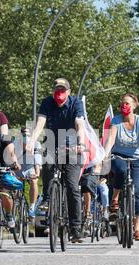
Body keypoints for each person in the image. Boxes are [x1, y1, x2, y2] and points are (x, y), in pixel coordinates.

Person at [26, 78, 87, 243]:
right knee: (48, 165)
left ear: (68, 91)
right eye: (57, 90)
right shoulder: (47, 102)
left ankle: (75, 228)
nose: (59, 94)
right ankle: (47, 197)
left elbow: (80, 125)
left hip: (73, 147)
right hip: (53, 144)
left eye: (63, 90)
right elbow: (40, 124)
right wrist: (32, 141)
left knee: (73, 187)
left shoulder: (75, 103)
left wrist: (80, 144)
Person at [103, 93, 139, 241]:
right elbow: (111, 139)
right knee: (120, 170)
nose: (124, 106)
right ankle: (115, 198)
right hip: (119, 156)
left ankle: (137, 228)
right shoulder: (116, 120)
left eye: (127, 103)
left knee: (138, 191)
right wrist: (105, 154)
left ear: (134, 106)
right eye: (122, 103)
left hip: (138, 158)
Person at [13, 127, 42, 220]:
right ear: (20, 135)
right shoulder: (15, 143)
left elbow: (37, 160)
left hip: (30, 167)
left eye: (28, 135)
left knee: (34, 181)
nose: (26, 136)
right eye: (24, 134)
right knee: (14, 187)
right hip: (17, 167)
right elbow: (11, 156)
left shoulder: (36, 144)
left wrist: (37, 173)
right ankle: (14, 208)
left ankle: (32, 207)